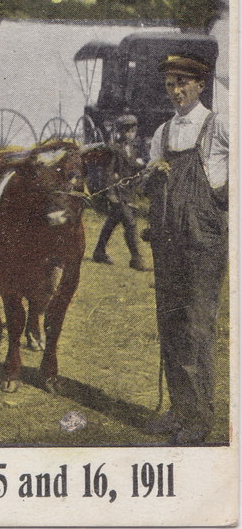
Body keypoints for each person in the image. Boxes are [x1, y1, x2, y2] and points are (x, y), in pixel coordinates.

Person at [143, 53, 228, 445]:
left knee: (196, 327)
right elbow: (148, 182)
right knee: (170, 324)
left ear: (200, 85)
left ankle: (199, 418)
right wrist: (152, 172)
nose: (176, 91)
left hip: (203, 242)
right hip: (167, 239)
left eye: (183, 83)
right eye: (170, 84)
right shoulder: (161, 132)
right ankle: (178, 408)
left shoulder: (218, 126)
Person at [92, 114, 148, 271]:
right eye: (126, 131)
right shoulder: (114, 149)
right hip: (118, 192)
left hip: (128, 192)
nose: (130, 134)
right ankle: (136, 259)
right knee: (130, 223)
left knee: (112, 222)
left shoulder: (134, 149)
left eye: (132, 131)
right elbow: (109, 173)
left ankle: (99, 251)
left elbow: (134, 169)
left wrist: (141, 166)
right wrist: (111, 193)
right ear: (120, 132)